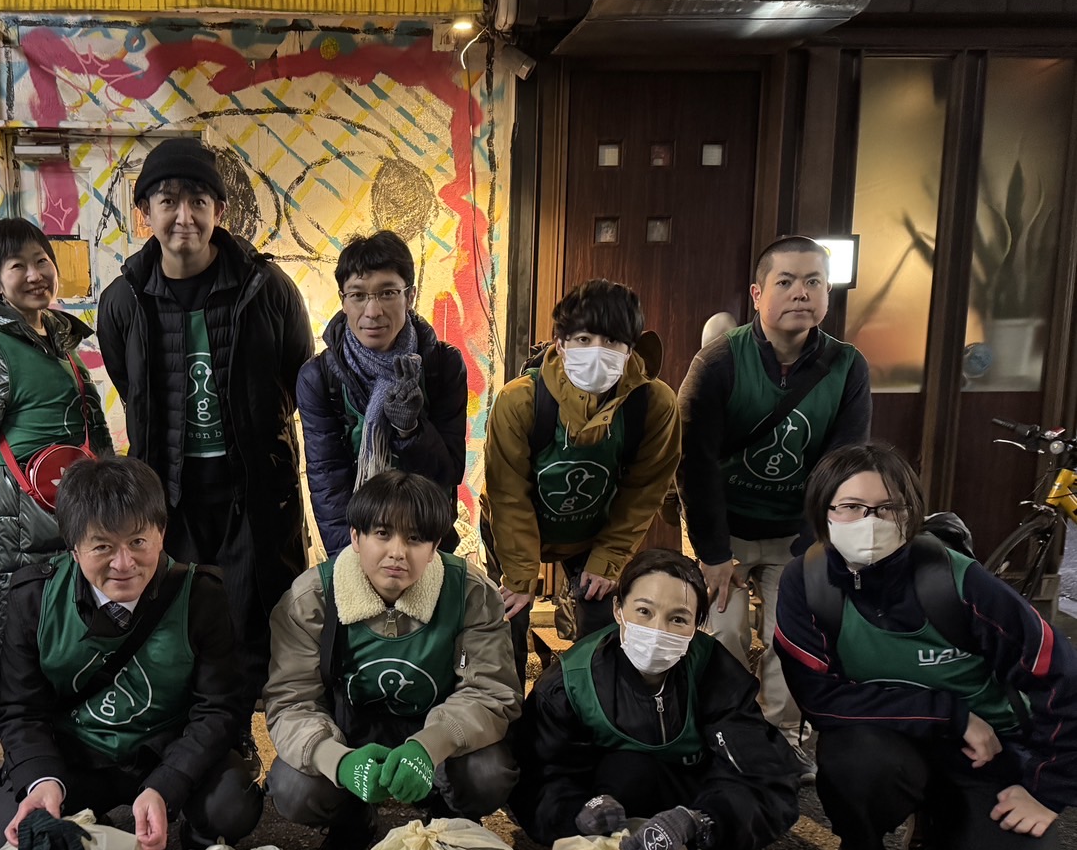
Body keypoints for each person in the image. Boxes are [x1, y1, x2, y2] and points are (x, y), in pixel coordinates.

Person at [774, 443, 1074, 850]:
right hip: (891, 749)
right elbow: (820, 699)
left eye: (887, 507)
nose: (869, 522)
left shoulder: (958, 582)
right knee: (852, 759)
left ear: (911, 513)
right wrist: (949, 714)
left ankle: (939, 826)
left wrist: (1048, 789)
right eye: (850, 506)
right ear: (824, 513)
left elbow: (1060, 675)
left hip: (986, 756)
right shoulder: (807, 583)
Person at [96, 137, 313, 715]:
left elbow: (297, 375)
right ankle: (196, 732)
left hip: (253, 486)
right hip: (169, 491)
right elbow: (129, 383)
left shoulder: (266, 288)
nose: (184, 216)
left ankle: (249, 733)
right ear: (146, 212)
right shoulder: (123, 299)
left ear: (220, 209)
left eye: (198, 201)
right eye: (168, 201)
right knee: (180, 616)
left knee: (257, 617)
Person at [0, 455, 263, 850]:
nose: (124, 563)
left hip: (162, 751)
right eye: (103, 546)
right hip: (75, 758)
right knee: (6, 833)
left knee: (231, 803)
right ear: (74, 548)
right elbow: (20, 708)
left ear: (161, 533)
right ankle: (87, 825)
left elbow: (217, 708)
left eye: (138, 542)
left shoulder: (200, 596)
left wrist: (167, 784)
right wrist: (43, 781)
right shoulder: (34, 599)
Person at [264, 470, 522, 850]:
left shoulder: (471, 592)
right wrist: (338, 761)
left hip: (436, 731)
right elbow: (290, 701)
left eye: (416, 538)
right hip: (349, 731)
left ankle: (447, 821)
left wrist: (430, 746)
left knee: (488, 773)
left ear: (435, 547)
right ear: (355, 537)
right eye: (382, 534)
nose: (397, 552)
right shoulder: (311, 599)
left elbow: (491, 691)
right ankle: (350, 823)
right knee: (293, 786)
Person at [677, 235, 871, 781]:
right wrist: (714, 553)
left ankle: (782, 738)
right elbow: (694, 463)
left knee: (795, 635)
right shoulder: (719, 361)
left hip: (797, 531)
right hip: (726, 529)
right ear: (758, 294)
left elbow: (843, 466)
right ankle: (727, 731)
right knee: (724, 631)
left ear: (827, 294)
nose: (800, 293)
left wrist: (814, 547)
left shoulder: (846, 367)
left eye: (813, 282)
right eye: (785, 282)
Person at [510, 549, 799, 850]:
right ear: (618, 609)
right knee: (629, 769)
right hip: (607, 828)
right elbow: (536, 777)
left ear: (697, 625)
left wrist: (702, 819)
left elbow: (763, 776)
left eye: (678, 619)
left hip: (692, 819)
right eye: (644, 611)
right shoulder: (572, 682)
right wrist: (577, 812)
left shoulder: (715, 672)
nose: (658, 630)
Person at [480, 279, 681, 685]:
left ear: (631, 348)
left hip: (594, 530)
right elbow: (508, 495)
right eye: (584, 339)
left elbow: (643, 492)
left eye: (612, 341)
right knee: (508, 620)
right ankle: (509, 711)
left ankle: (588, 703)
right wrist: (520, 577)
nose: (597, 352)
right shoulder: (519, 401)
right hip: (515, 527)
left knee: (602, 626)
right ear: (561, 343)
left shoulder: (654, 405)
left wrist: (608, 560)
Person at [0, 217, 114, 637]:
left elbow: (94, 429)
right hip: (9, 516)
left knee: (69, 629)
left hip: (67, 505)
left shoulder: (60, 341)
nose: (35, 275)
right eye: (17, 266)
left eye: (41, 261)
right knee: (19, 632)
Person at [296, 230, 468, 556]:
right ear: (343, 301)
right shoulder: (318, 378)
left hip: (427, 539)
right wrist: (349, 561)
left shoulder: (442, 365)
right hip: (357, 541)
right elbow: (328, 481)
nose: (372, 311)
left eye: (387, 293)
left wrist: (410, 430)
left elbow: (449, 471)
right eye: (358, 295)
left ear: (410, 296)